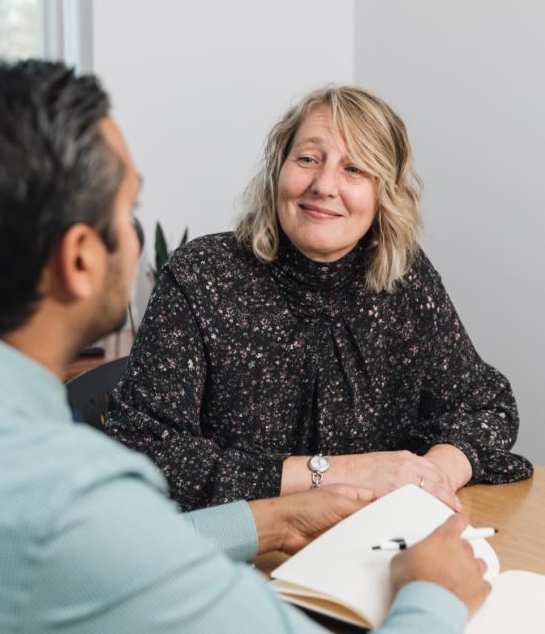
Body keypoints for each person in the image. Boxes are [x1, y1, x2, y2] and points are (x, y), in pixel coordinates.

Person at [0, 61, 490, 634]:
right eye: (127, 213)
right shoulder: (72, 504)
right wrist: (435, 592)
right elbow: (100, 549)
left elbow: (105, 556)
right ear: (80, 259)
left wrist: (262, 519)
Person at [105, 85, 533, 513]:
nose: (325, 185)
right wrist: (349, 473)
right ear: (279, 168)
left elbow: (485, 406)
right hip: (240, 553)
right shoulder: (201, 274)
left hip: (372, 546)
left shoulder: (404, 277)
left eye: (355, 169)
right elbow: (145, 454)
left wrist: (429, 477)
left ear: (384, 193)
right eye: (308, 159)